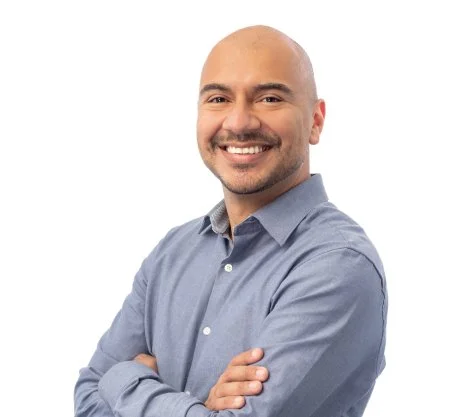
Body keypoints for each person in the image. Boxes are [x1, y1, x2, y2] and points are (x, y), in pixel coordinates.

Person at [74, 25, 388, 417]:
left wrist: (127, 380)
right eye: (219, 98)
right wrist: (198, 408)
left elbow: (107, 382)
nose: (238, 123)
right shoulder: (174, 252)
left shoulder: (337, 265)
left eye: (269, 98)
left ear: (316, 121)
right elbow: (88, 397)